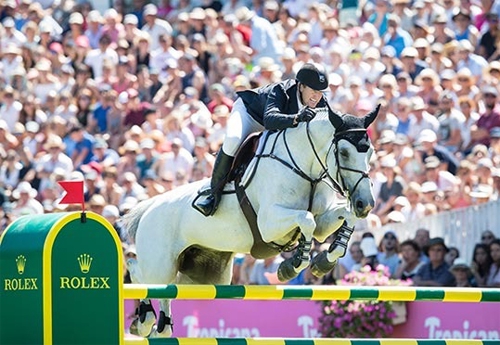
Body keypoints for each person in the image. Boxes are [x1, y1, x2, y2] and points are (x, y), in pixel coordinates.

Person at [193, 62, 330, 216]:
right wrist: (297, 118)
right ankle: (213, 194)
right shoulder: (281, 90)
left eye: (321, 92)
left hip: (277, 125)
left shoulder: (320, 102)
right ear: (301, 86)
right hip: (250, 115)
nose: (317, 97)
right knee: (232, 140)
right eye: (313, 91)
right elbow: (270, 120)